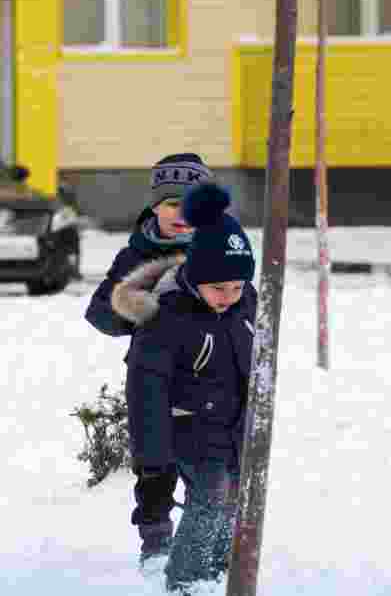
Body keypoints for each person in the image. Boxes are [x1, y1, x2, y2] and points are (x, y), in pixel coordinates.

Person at [112, 182, 257, 594]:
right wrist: (153, 460)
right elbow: (145, 392)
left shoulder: (244, 308)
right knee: (210, 498)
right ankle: (187, 582)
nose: (228, 297)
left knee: (230, 502)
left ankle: (215, 574)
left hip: (232, 429)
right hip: (188, 431)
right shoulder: (168, 318)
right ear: (195, 277)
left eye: (236, 287)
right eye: (218, 289)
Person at [85, 153, 213, 567]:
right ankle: (155, 547)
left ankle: (203, 553)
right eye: (172, 203)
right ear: (155, 205)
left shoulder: (219, 252)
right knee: (154, 466)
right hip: (151, 378)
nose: (181, 214)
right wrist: (138, 303)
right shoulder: (135, 255)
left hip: (209, 378)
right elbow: (101, 312)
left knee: (209, 468)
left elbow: (244, 308)